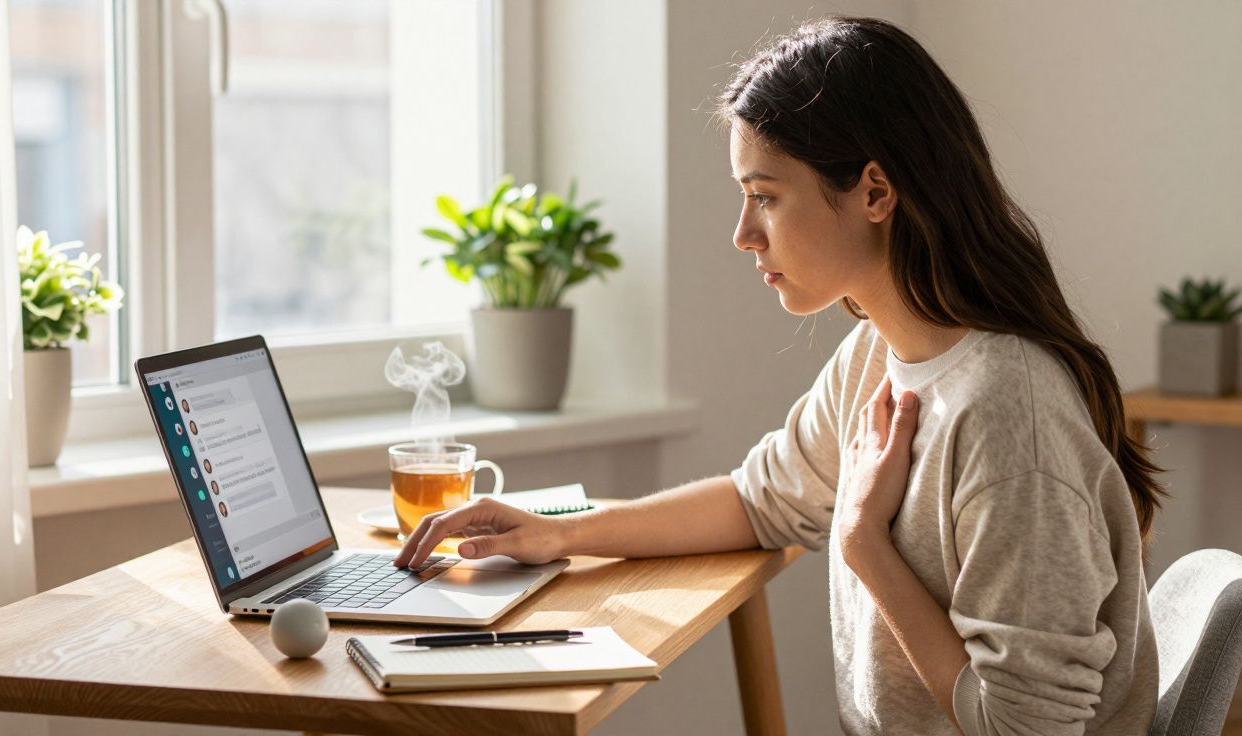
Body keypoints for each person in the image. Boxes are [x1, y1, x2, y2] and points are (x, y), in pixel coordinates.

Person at [394, 16, 1161, 735]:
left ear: (874, 192)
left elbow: (1021, 727)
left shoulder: (1005, 415)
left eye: (765, 196)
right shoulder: (875, 357)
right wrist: (561, 533)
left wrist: (863, 542)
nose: (742, 234)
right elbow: (760, 501)